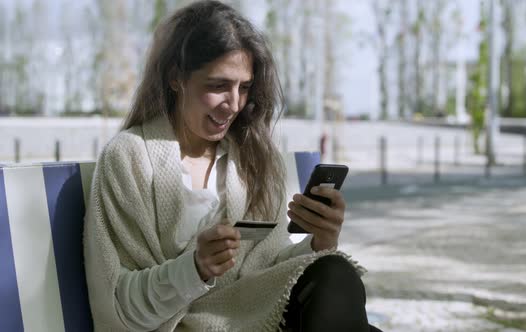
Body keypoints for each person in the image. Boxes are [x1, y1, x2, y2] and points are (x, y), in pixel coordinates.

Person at [83, 1, 382, 331]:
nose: (235, 104)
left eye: (245, 86)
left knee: (334, 272)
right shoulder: (129, 158)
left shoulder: (251, 159)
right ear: (176, 78)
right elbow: (120, 305)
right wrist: (195, 268)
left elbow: (267, 272)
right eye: (218, 85)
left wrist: (321, 243)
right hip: (185, 325)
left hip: (257, 317)